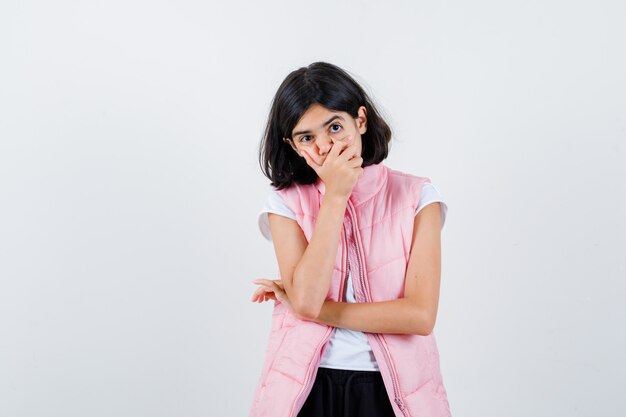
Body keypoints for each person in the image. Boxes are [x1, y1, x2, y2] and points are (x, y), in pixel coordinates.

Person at [249, 62, 452, 417]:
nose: (325, 146)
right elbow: (308, 301)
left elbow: (420, 316)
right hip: (306, 389)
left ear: (360, 120)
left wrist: (306, 307)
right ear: (293, 146)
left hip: (391, 391)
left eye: (335, 126)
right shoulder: (285, 202)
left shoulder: (417, 196)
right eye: (307, 137)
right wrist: (335, 197)